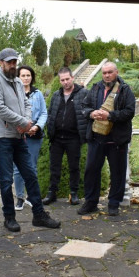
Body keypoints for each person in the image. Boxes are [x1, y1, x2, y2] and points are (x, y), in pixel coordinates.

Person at [0, 48, 61, 232]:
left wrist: (27, 122)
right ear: (1, 63)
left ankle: (39, 215)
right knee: (6, 180)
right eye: (9, 62)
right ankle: (9, 217)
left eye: (15, 62)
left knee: (30, 175)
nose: (13, 65)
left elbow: (27, 103)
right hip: (3, 137)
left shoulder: (18, 81)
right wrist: (22, 122)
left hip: (19, 136)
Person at [78, 61, 135, 217]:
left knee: (117, 172)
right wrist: (91, 113)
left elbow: (129, 112)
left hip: (116, 139)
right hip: (96, 138)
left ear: (116, 72)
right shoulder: (96, 88)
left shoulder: (125, 90)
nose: (107, 75)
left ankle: (114, 204)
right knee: (91, 171)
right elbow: (84, 106)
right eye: (104, 73)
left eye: (110, 72)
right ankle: (91, 203)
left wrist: (110, 116)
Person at [43, 67, 89, 206]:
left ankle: (74, 193)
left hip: (73, 137)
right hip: (57, 137)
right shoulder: (56, 95)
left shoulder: (83, 93)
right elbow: (50, 113)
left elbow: (88, 111)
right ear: (59, 81)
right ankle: (52, 193)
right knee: (54, 167)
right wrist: (50, 126)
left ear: (72, 78)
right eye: (62, 80)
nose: (65, 82)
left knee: (74, 167)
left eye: (67, 79)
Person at [12, 65, 47, 210]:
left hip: (34, 136)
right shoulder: (14, 93)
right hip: (18, 135)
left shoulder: (38, 94)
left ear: (32, 77)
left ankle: (31, 196)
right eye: (23, 75)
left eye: (28, 75)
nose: (26, 78)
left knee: (32, 168)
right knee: (17, 169)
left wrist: (37, 127)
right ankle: (20, 197)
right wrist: (23, 128)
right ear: (18, 77)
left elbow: (44, 113)